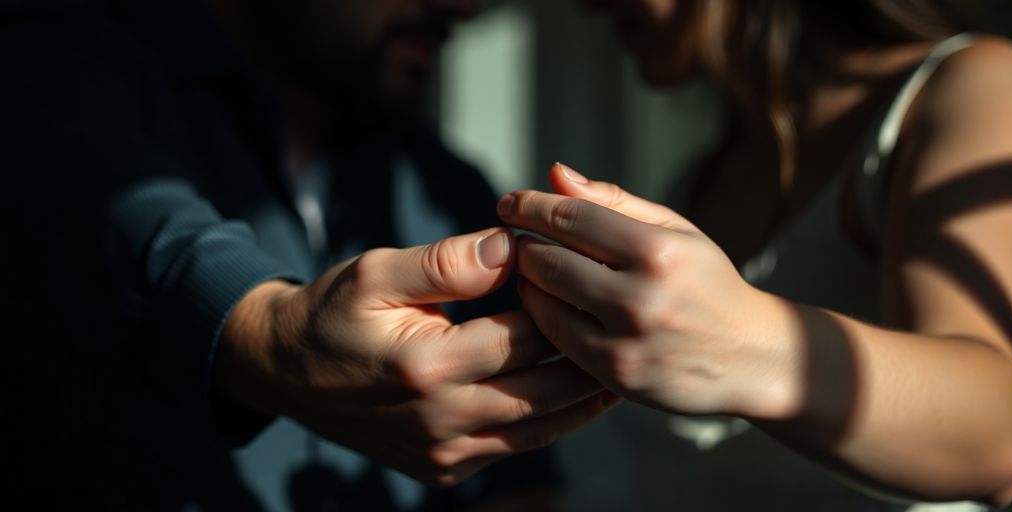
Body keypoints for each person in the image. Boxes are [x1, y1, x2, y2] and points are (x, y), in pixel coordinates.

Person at [0, 0, 617, 508]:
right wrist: (269, 332)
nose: (463, 8)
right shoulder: (56, 66)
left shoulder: (447, 187)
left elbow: (517, 486)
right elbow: (138, 222)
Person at [496, 0, 1012, 509]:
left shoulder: (971, 88)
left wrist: (743, 343)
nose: (587, 5)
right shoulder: (696, 185)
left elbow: (1000, 433)